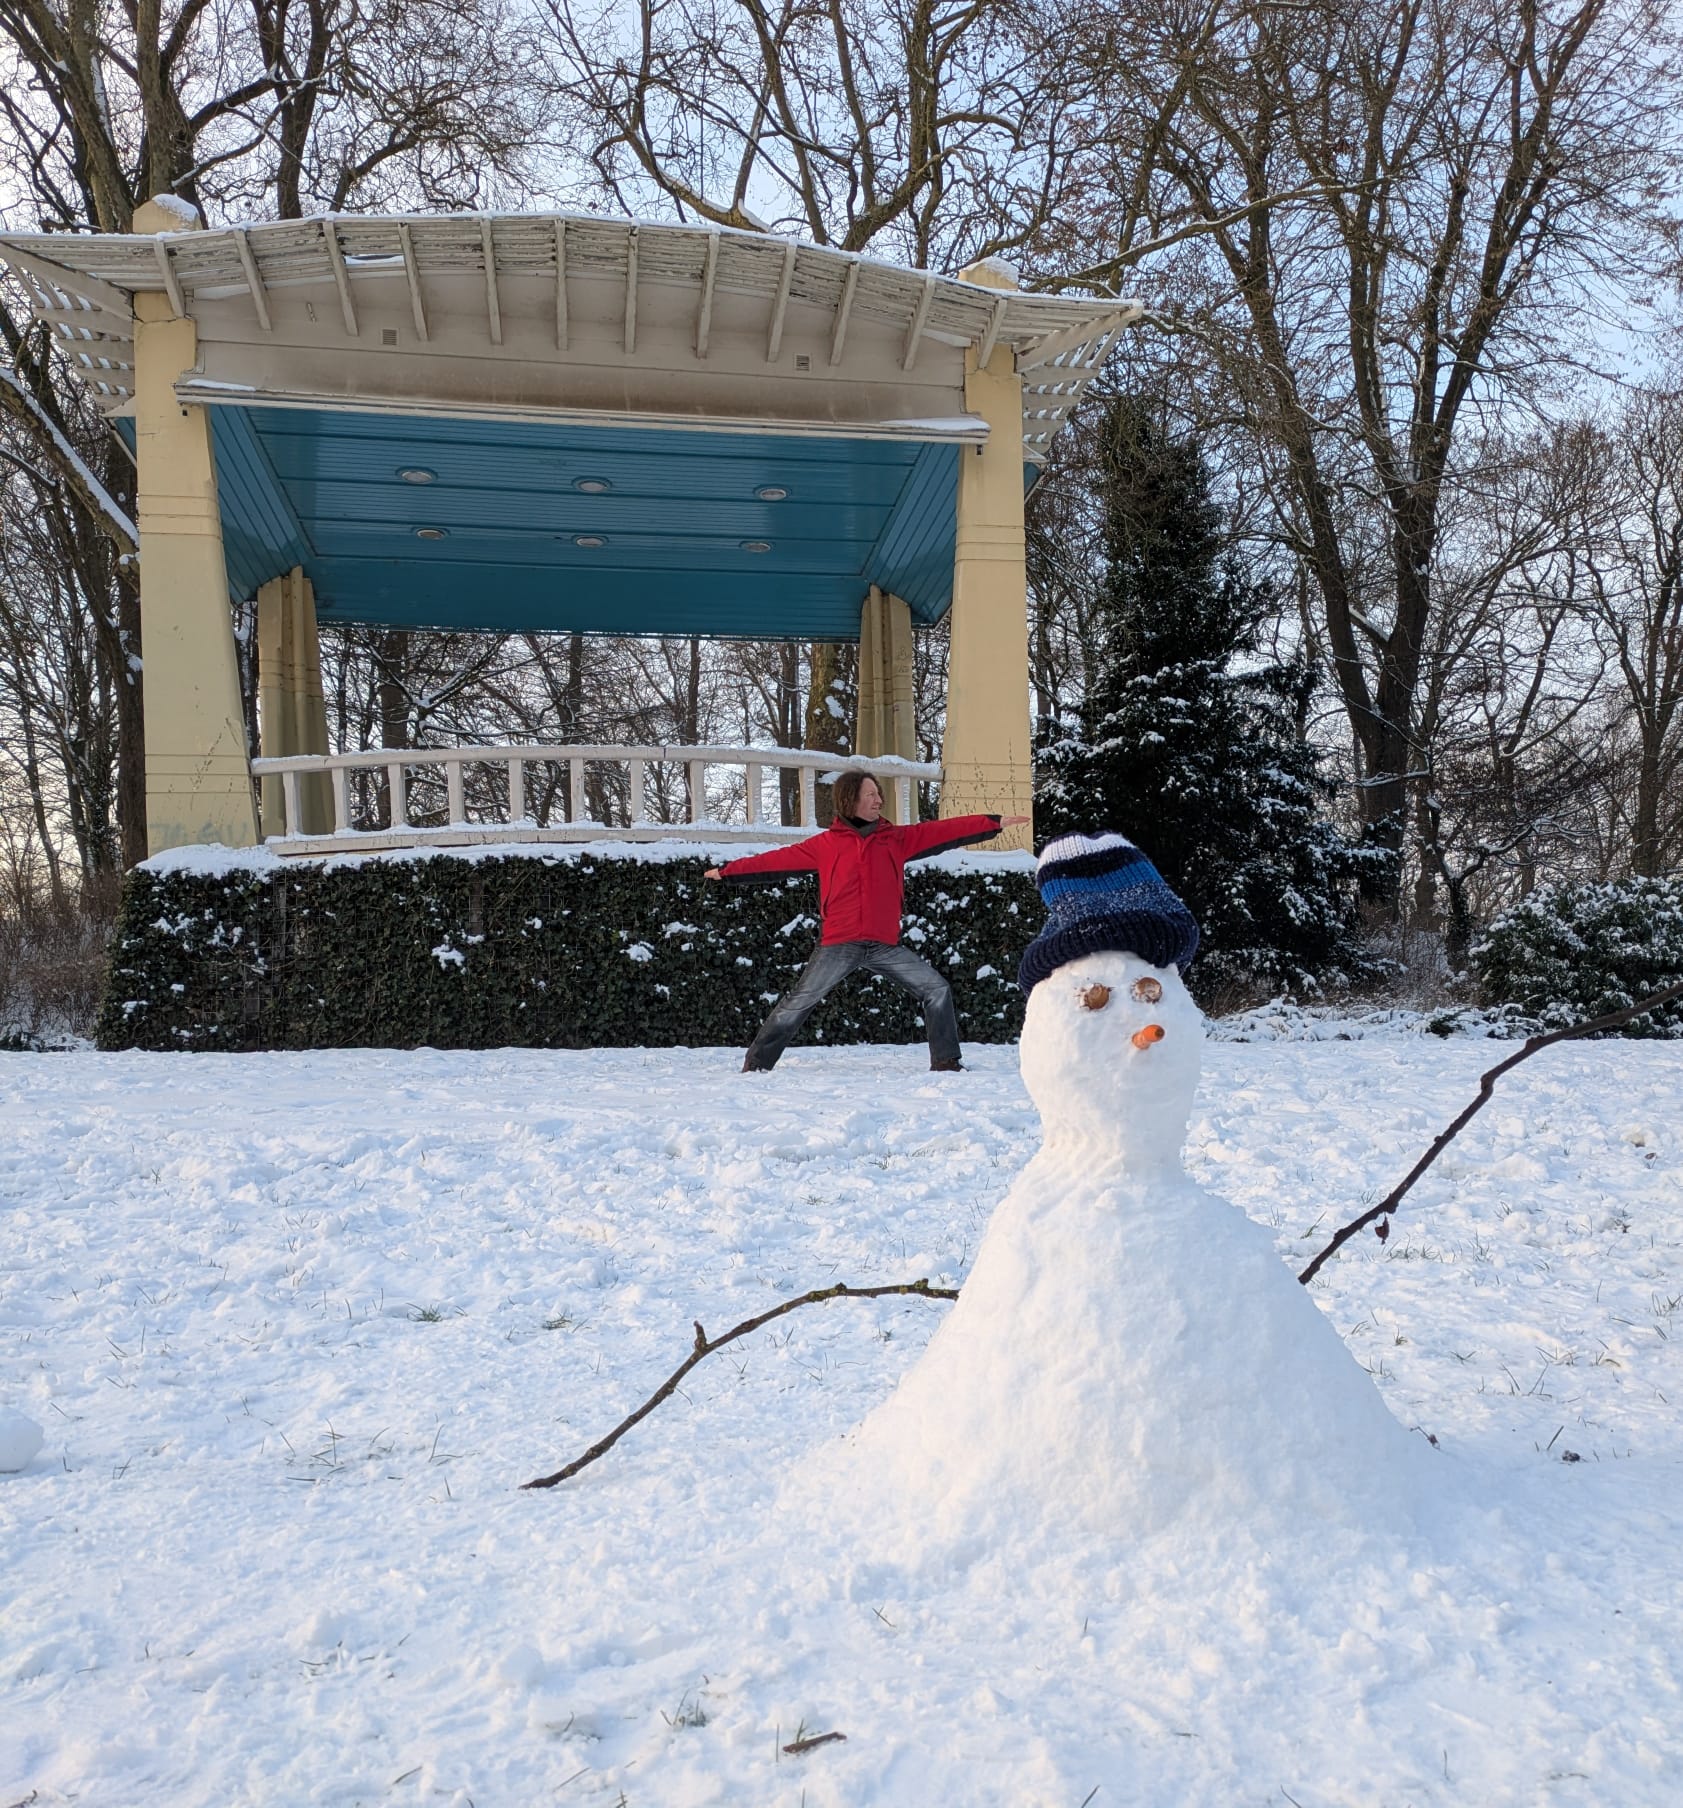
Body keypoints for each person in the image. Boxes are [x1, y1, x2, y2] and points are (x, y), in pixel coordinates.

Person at [705, 771, 1028, 1072]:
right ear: (851, 799)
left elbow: (943, 830)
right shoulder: (825, 845)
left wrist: (993, 822)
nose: (878, 800)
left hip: (883, 945)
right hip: (839, 944)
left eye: (878, 794)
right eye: (871, 794)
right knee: (797, 1003)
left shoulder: (896, 839)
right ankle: (756, 1065)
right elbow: (775, 860)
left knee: (936, 988)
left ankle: (946, 1064)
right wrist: (728, 872)